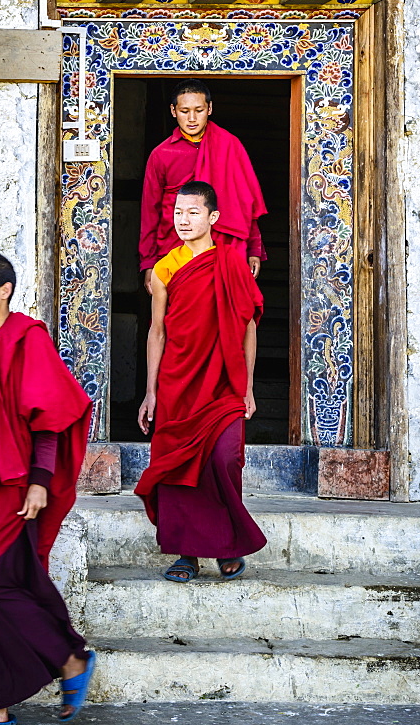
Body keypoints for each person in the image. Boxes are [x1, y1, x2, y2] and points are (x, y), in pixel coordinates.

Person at [0, 253, 96, 725]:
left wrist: (39, 482)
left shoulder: (28, 340)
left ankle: (71, 660)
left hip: (10, 482)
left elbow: (49, 419)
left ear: (4, 290)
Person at [135, 181, 267, 582]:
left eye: (193, 212)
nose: (184, 220)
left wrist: (247, 387)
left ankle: (227, 542)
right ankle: (187, 554)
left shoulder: (231, 262)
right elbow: (157, 331)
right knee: (178, 468)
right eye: (178, 213)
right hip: (178, 382)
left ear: (213, 218)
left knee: (225, 459)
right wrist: (151, 391)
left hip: (224, 381)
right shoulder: (165, 268)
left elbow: (247, 326)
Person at [139, 79, 267, 295]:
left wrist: (254, 248)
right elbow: (150, 212)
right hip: (175, 246)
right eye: (184, 111)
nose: (191, 118)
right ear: (173, 111)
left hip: (224, 247)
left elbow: (246, 201)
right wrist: (149, 263)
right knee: (177, 315)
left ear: (209, 108)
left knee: (226, 314)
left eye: (198, 110)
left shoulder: (230, 145)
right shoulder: (161, 155)